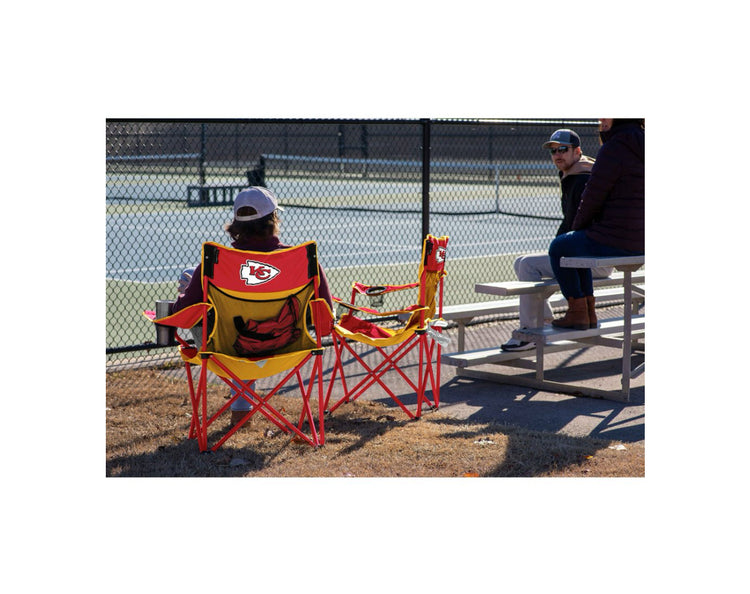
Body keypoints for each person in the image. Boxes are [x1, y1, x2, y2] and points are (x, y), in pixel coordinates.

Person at [171, 186, 333, 425]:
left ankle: (241, 411)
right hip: (287, 348)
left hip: (226, 351)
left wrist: (184, 295)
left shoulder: (214, 263)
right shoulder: (303, 259)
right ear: (274, 219)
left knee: (199, 289)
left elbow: (179, 315)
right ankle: (242, 410)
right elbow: (326, 322)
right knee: (253, 321)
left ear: (236, 224)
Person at [501, 129, 612, 352]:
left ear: (577, 151)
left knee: (527, 264)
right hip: (594, 254)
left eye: (563, 149)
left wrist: (557, 247)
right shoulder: (579, 172)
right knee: (521, 261)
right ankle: (541, 323)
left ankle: (528, 333)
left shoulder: (580, 178)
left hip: (594, 259)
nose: (557, 155)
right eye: (553, 151)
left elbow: (573, 224)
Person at [548, 119, 645, 330]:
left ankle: (578, 312)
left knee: (560, 247)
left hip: (618, 237)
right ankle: (587, 312)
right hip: (642, 239)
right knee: (576, 249)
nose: (601, 120)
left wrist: (578, 227)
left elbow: (593, 195)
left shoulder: (615, 147)